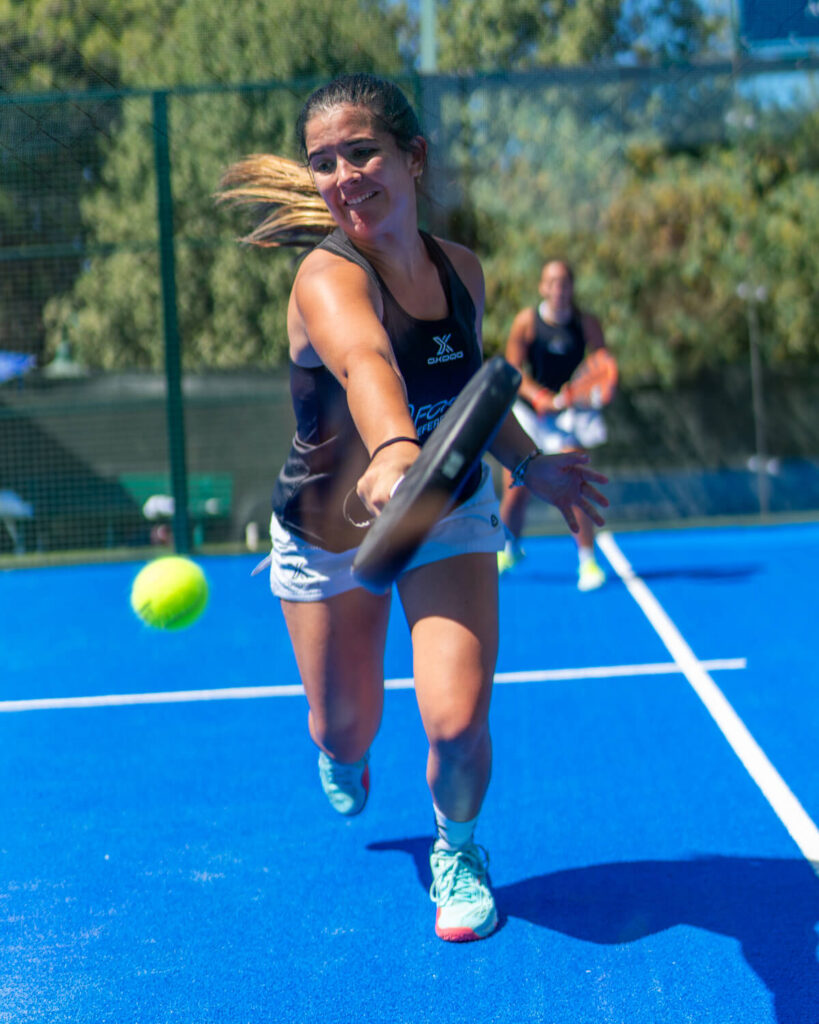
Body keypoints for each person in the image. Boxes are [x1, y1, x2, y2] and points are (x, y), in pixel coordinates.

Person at [218, 73, 607, 943]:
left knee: (458, 720)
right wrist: (395, 449)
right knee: (344, 724)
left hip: (445, 506)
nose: (343, 176)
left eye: (362, 152)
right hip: (328, 528)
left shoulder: (460, 269)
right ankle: (340, 751)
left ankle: (458, 851)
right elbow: (367, 364)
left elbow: (468, 390)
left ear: (412, 158)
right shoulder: (325, 279)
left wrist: (528, 464)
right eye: (323, 162)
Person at [497, 259, 613, 591]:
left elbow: (602, 367)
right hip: (529, 415)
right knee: (516, 488)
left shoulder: (586, 323)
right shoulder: (527, 322)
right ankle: (509, 549)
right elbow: (512, 370)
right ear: (542, 287)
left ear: (571, 287)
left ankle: (587, 561)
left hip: (567, 416)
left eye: (564, 282)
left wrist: (584, 395)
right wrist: (539, 397)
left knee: (574, 481)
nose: (558, 288)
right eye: (552, 282)